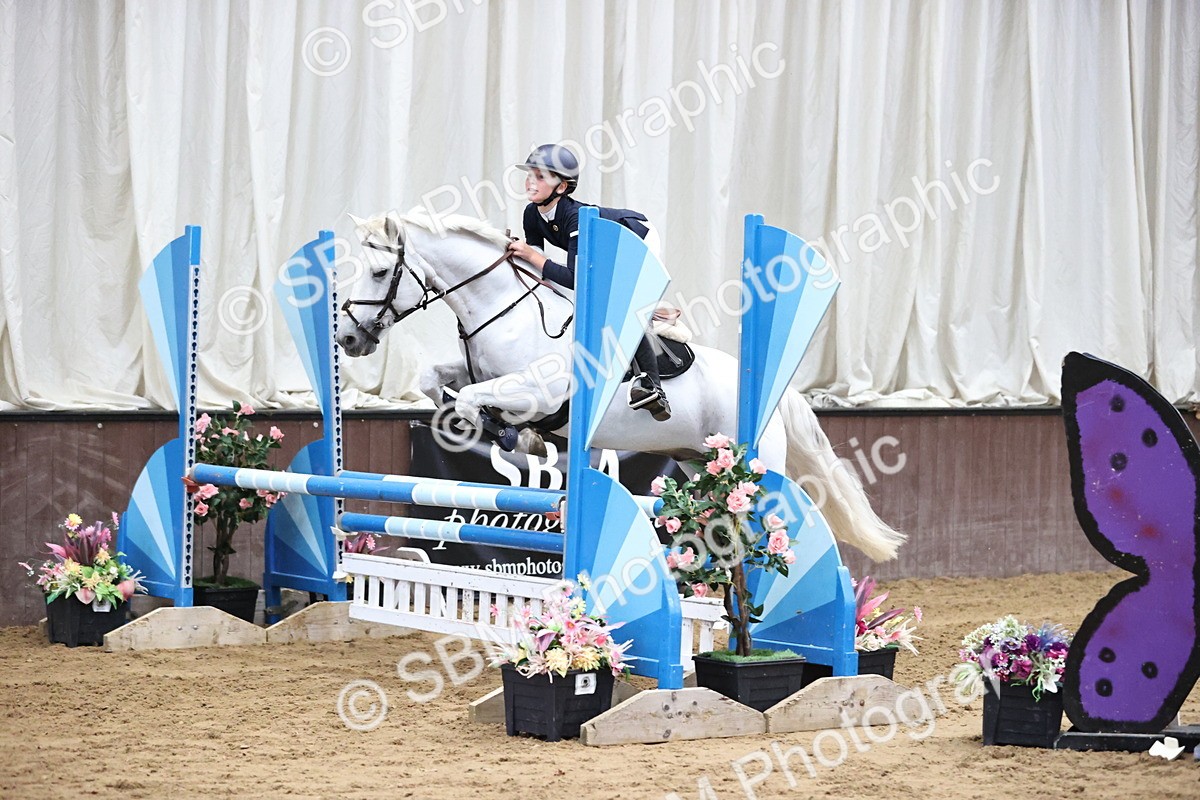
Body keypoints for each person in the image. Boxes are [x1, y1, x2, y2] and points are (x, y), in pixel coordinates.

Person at [505, 144, 671, 421]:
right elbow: (539, 262)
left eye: (541, 176)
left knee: (619, 307)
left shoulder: (574, 217)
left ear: (562, 187)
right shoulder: (531, 213)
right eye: (530, 174)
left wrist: (532, 256)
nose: (531, 182)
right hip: (604, 250)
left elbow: (574, 278)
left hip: (636, 239)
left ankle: (653, 387)